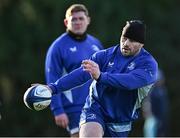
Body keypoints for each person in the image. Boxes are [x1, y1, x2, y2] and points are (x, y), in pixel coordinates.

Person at [40, 20, 158, 137]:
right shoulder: (104, 55)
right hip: (95, 109)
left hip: (121, 121)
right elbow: (80, 74)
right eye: (124, 38)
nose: (126, 43)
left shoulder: (148, 65)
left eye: (132, 41)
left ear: (141, 44)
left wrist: (101, 76)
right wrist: (52, 88)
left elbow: (129, 82)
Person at [45, 4, 103, 137]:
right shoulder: (58, 47)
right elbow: (52, 79)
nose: (78, 22)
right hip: (74, 108)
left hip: (97, 105)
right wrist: (57, 110)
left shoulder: (95, 44)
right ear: (66, 22)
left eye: (81, 18)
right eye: (74, 19)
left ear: (88, 20)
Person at [143, 69, 169, 137]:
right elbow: (147, 106)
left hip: (161, 119)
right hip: (153, 119)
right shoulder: (153, 92)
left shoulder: (162, 91)